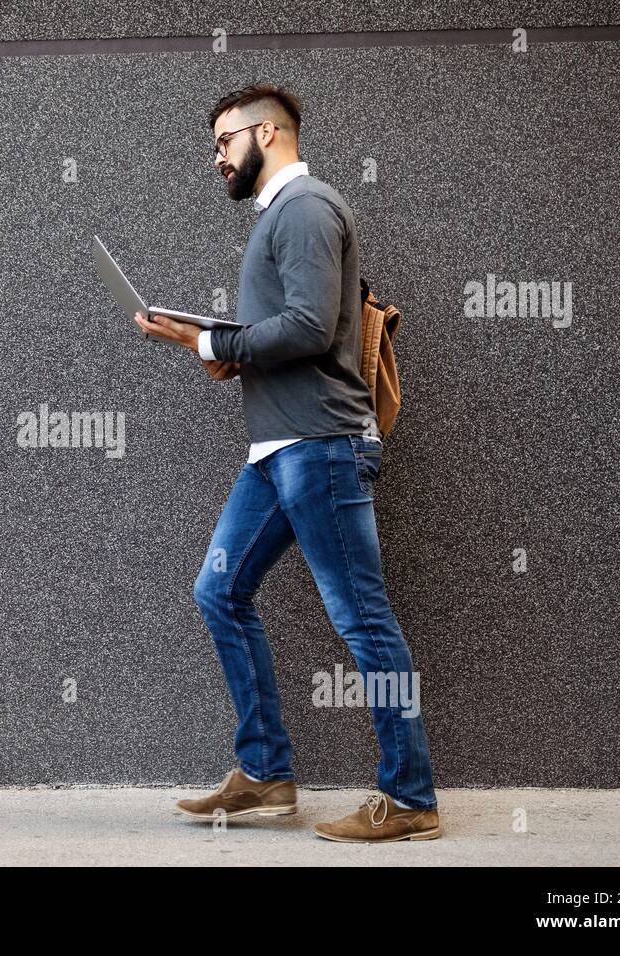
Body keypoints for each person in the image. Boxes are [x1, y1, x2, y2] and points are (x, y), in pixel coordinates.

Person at [133, 82, 441, 842]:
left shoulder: (305, 209)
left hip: (322, 447)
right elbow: (298, 329)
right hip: (277, 452)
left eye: (222, 143)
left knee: (363, 620)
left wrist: (209, 342)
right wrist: (224, 349)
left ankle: (411, 798)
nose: (216, 159)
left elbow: (306, 327)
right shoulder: (282, 217)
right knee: (220, 591)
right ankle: (267, 773)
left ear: (267, 135)